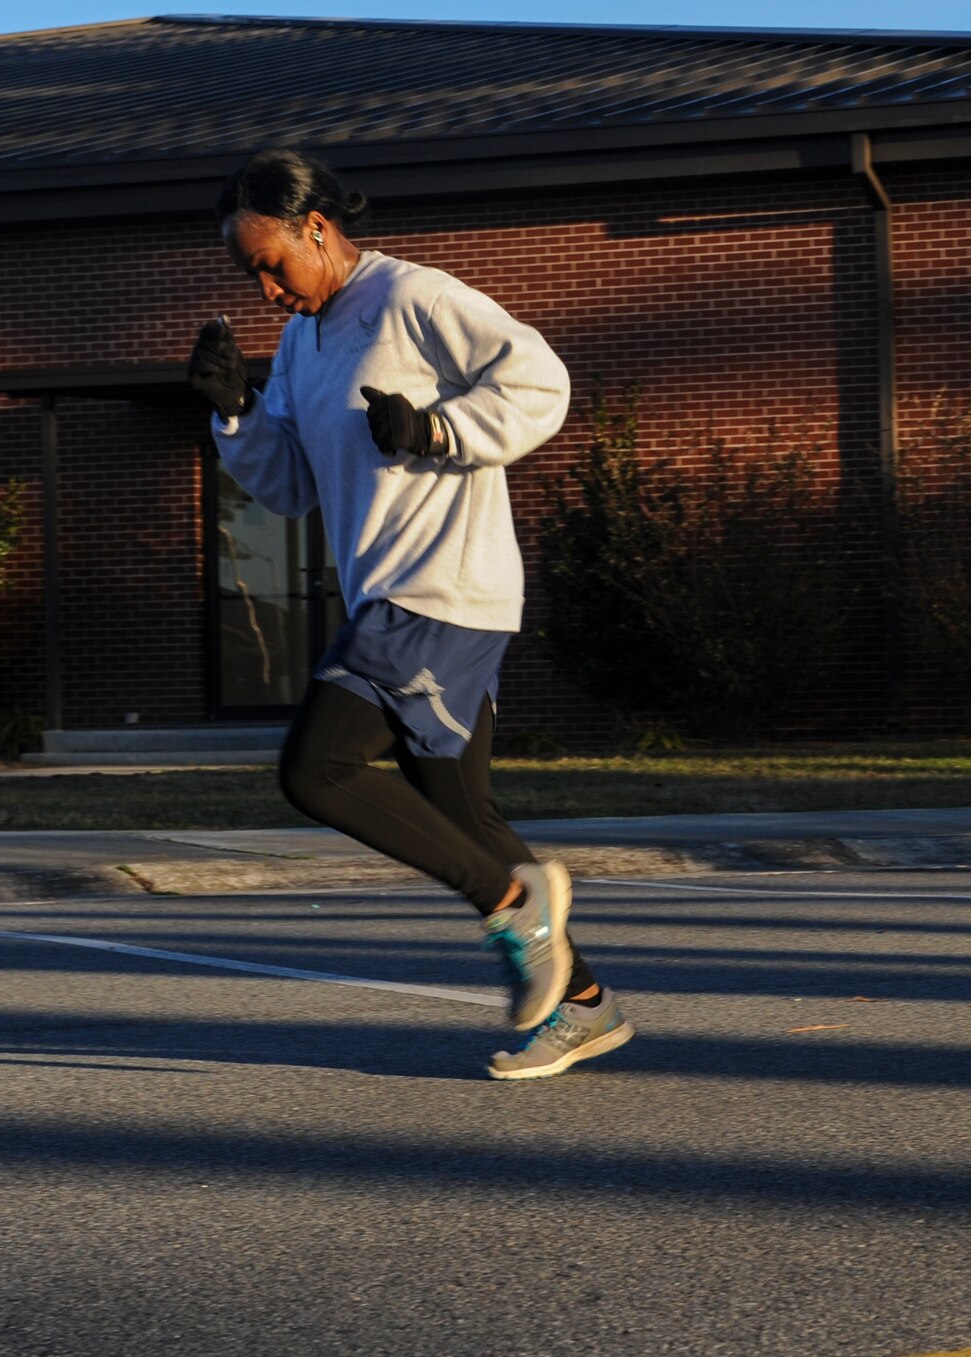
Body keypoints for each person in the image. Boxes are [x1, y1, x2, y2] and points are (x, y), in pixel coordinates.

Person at [187, 148, 633, 1080]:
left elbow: (540, 381)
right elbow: (297, 489)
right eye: (249, 274)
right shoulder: (306, 340)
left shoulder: (411, 298)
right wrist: (237, 414)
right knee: (459, 813)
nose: (267, 288)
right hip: (393, 594)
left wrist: (440, 429)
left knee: (317, 770)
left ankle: (517, 911)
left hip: (438, 588)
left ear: (318, 228)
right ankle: (585, 1005)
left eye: (273, 263)